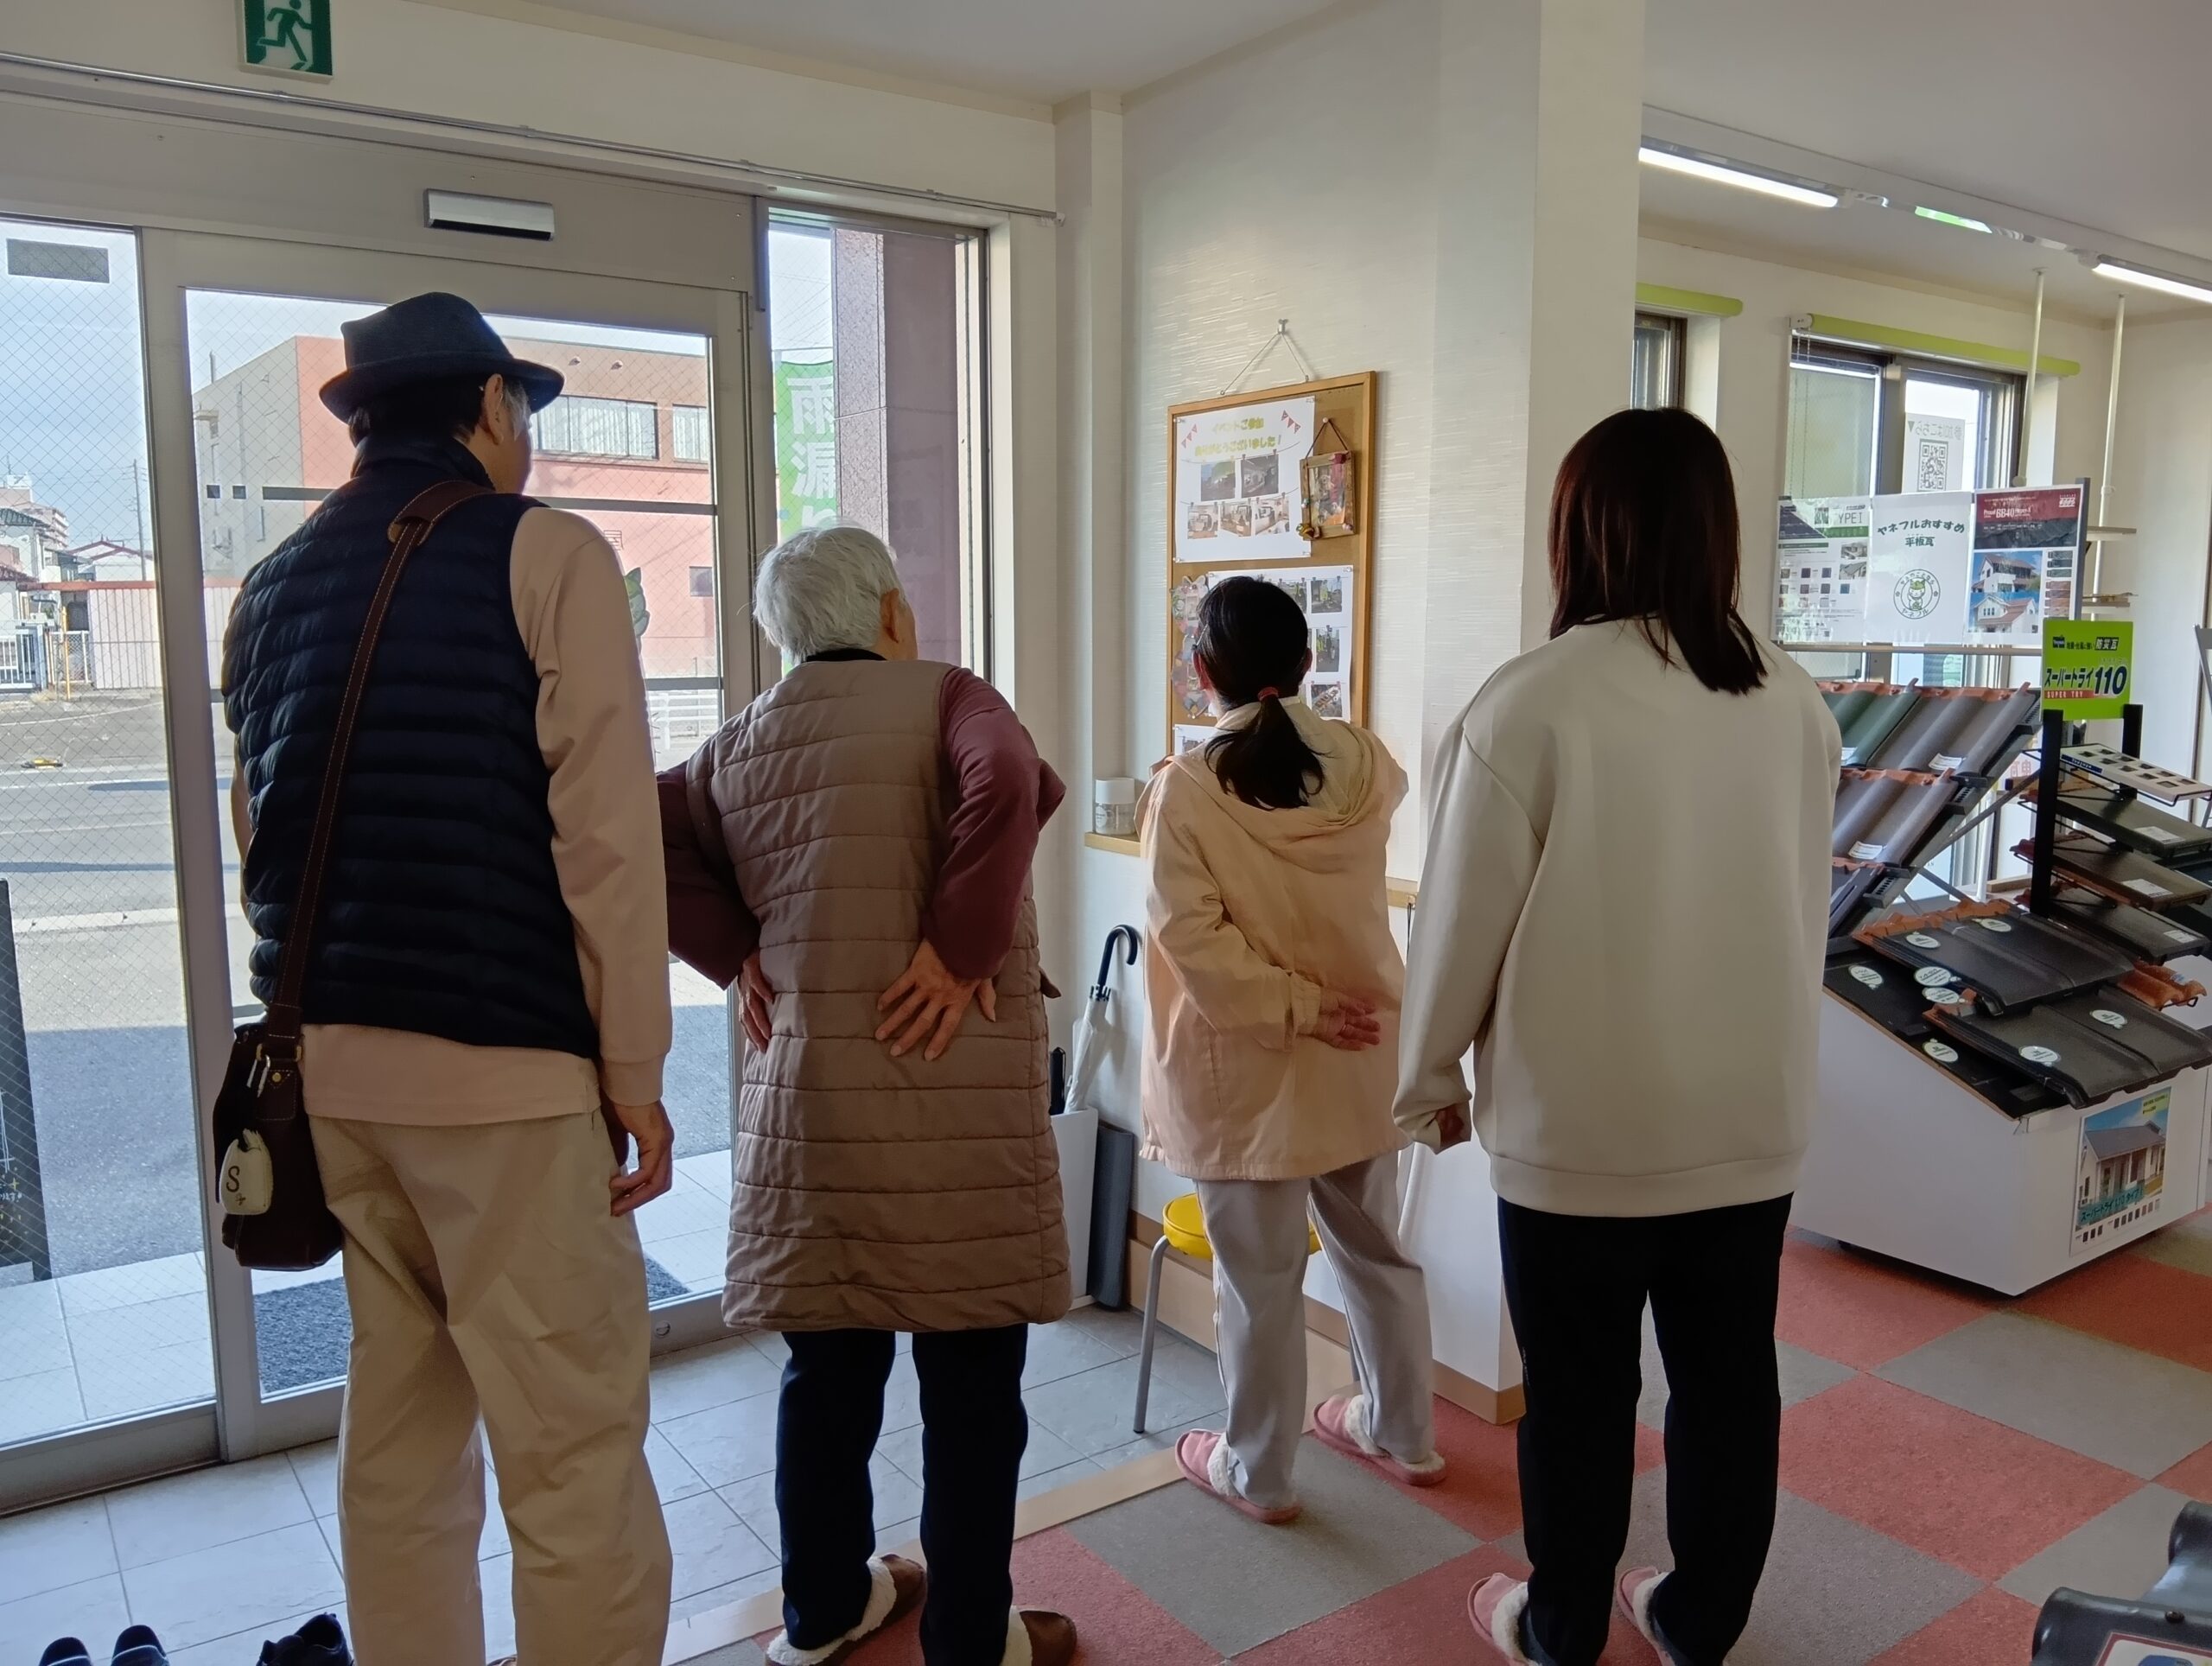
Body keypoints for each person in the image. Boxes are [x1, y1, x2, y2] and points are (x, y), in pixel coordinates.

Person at [223, 292, 675, 1666]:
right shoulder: (545, 552)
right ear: (488, 406)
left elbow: (259, 832)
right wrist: (636, 1074)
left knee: (400, 1438)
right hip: (505, 1078)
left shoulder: (270, 587)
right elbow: (608, 839)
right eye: (521, 410)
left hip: (331, 1078)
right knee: (572, 1454)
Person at [1394, 408, 1840, 1666]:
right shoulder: (1793, 699)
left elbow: (1459, 925)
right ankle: (1699, 1621)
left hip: (1577, 1132)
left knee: (1578, 1399)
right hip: (1749, 1121)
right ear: (1717, 531)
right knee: (1729, 1385)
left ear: (1579, 531)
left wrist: (1425, 1078)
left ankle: (1564, 1628)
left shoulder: (1531, 702)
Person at [659, 525, 1078, 1666]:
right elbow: (1011, 779)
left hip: (815, 1119)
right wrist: (959, 945)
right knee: (973, 1399)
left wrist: (734, 951)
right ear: (892, 611)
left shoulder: (737, 743)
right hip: (957, 1115)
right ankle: (969, 1641)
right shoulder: (949, 696)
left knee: (826, 1383)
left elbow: (639, 830)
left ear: (784, 634)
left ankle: (824, 1612)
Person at [1141, 576, 1444, 1523]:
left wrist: (1298, 1007)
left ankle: (1260, 1473)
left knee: (1259, 1281)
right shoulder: (1367, 763)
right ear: (1310, 662)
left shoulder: (1186, 789)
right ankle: (1404, 1432)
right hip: (1361, 1048)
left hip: (1250, 1070)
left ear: (1202, 673)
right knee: (1378, 1255)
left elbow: (1194, 944)